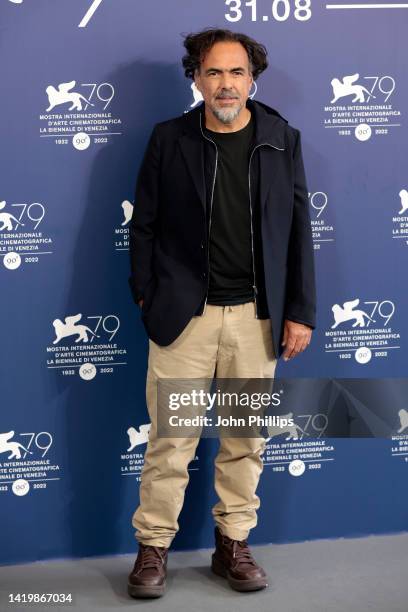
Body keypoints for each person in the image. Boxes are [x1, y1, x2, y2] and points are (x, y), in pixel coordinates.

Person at [127, 27, 317, 598]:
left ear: (252, 78)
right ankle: (153, 548)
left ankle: (232, 544)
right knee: (171, 439)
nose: (225, 83)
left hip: (257, 319)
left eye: (236, 72)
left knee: (244, 438)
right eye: (214, 72)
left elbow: (298, 232)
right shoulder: (169, 139)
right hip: (186, 319)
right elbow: (144, 226)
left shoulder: (282, 138)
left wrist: (299, 311)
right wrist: (148, 294)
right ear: (197, 78)